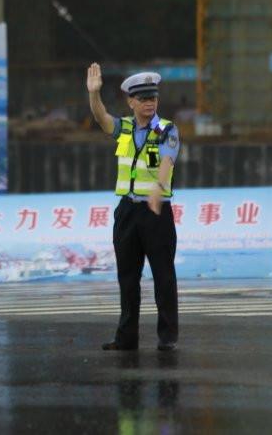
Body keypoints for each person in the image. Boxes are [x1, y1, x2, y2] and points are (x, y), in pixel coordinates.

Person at [86, 62, 180, 352]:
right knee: (127, 277)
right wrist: (94, 94)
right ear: (131, 102)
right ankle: (126, 338)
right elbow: (102, 118)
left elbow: (168, 160)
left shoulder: (166, 129)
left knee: (163, 275)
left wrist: (158, 188)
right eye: (143, 99)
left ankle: (167, 338)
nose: (149, 103)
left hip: (156, 212)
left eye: (153, 98)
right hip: (127, 212)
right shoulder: (124, 127)